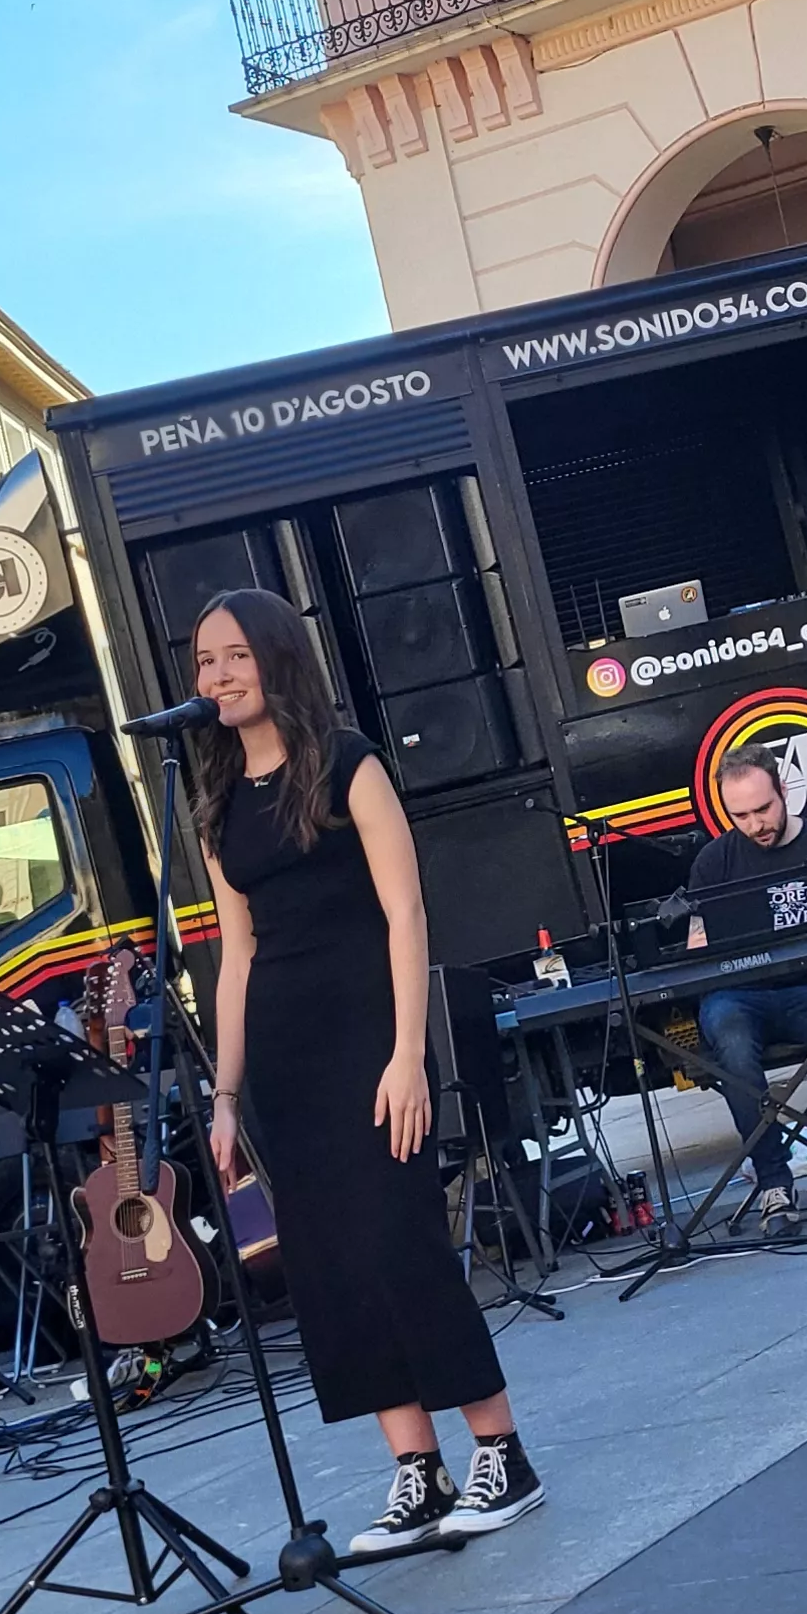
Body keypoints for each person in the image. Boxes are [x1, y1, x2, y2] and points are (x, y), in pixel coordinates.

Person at [186, 588, 542, 1556]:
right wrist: (223, 1095)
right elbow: (236, 952)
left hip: (369, 1039)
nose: (214, 676)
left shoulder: (346, 763)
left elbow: (405, 915)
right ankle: (414, 1472)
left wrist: (406, 1054)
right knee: (330, 1266)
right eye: (202, 661)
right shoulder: (216, 802)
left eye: (231, 657)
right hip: (285, 1061)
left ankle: (501, 1452)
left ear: (274, 659)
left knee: (399, 1246)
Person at [684, 742, 807, 1230]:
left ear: (785, 790)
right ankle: (774, 1180)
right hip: (737, 995)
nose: (756, 824)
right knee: (729, 1040)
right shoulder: (714, 860)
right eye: (741, 815)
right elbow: (694, 952)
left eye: (763, 808)